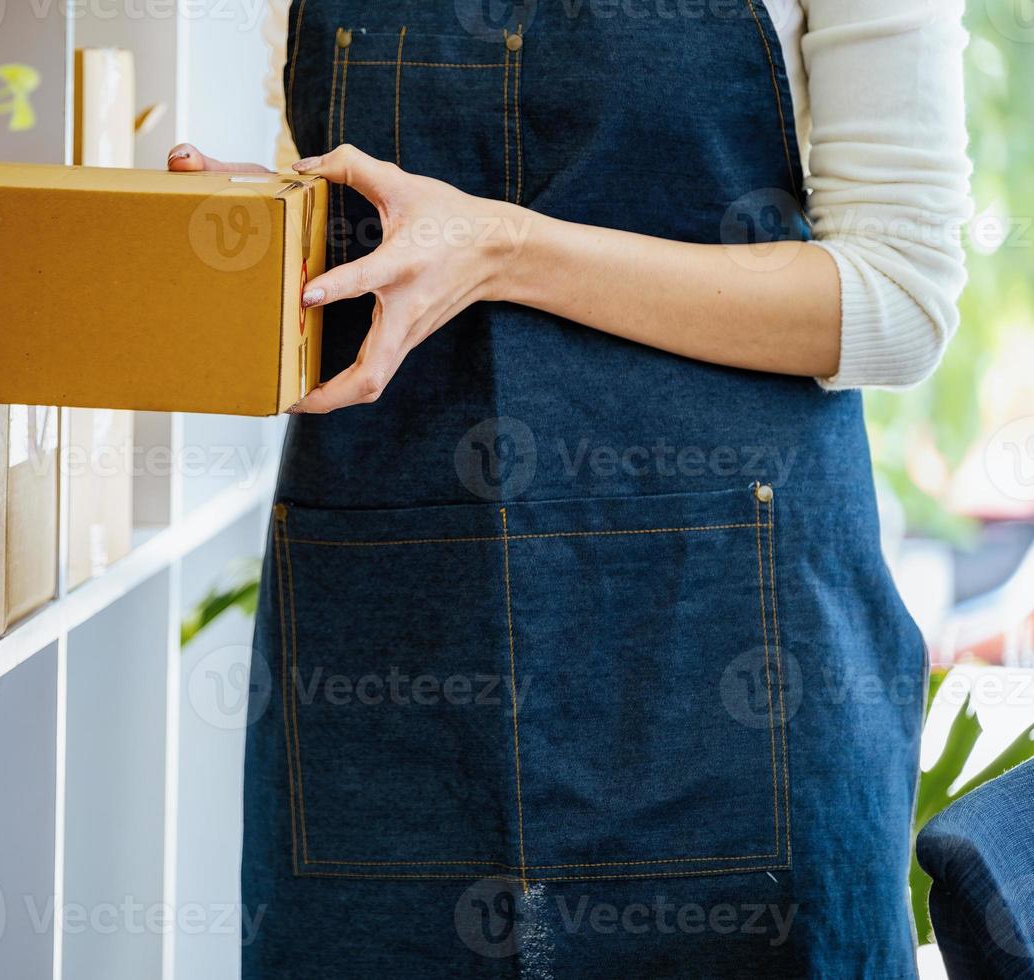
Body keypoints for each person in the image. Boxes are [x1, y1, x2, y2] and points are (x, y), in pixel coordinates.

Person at [171, 1, 972, 975]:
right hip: (394, 642)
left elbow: (899, 300)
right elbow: (375, 219)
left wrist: (507, 249)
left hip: (727, 657)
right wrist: (262, 235)